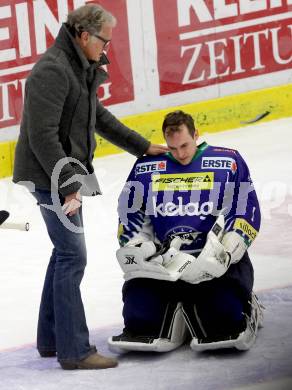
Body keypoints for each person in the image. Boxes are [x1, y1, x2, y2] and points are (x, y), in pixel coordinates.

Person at [13, 4, 168, 370]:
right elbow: (42, 137)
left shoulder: (78, 65)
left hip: (63, 173)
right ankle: (75, 351)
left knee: (63, 253)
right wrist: (67, 186)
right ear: (84, 36)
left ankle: (52, 339)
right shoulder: (53, 70)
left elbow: (96, 116)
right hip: (49, 175)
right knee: (72, 255)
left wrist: (141, 145)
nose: (106, 49)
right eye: (104, 41)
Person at [109, 110, 264, 354]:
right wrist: (138, 246)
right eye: (173, 148)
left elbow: (244, 209)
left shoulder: (228, 161)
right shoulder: (146, 167)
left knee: (224, 318)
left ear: (196, 135)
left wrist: (228, 249)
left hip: (212, 266)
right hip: (165, 267)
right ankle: (171, 311)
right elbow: (131, 214)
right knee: (139, 318)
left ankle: (245, 305)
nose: (180, 154)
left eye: (185, 145)